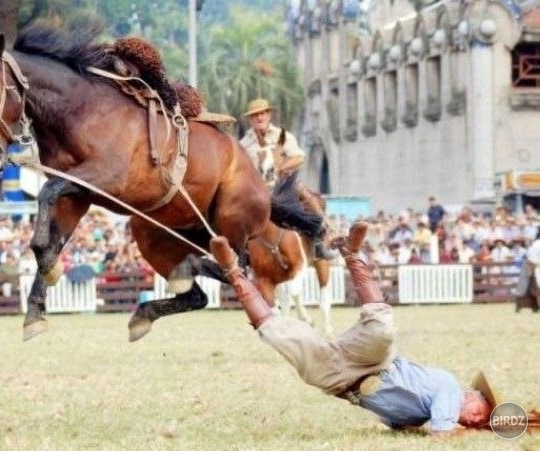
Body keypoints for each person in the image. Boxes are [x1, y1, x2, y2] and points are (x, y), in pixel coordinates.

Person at [208, 222, 496, 434]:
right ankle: (352, 254)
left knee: (276, 334)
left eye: (477, 422)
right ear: (471, 395)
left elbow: (399, 423)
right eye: (478, 414)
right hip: (374, 362)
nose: (473, 420)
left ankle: (232, 271)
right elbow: (442, 433)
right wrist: (476, 431)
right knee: (382, 328)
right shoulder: (450, 390)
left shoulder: (422, 415)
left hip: (341, 382)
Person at [239, 98, 337, 260]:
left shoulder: (282, 136)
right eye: (255, 115)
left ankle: (319, 239)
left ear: (269, 114)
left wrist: (281, 168)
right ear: (250, 119)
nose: (259, 118)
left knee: (311, 200)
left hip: (282, 184)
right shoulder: (244, 143)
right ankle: (239, 252)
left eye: (262, 113)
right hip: (256, 190)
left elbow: (299, 157)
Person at [515, 229, 540, 312]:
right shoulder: (536, 244)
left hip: (534, 266)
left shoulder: (535, 244)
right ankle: (534, 306)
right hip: (535, 267)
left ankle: (535, 306)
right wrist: (530, 269)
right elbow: (530, 258)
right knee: (530, 289)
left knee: (532, 289)